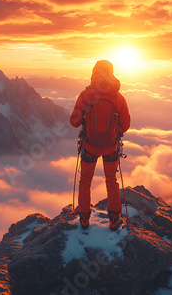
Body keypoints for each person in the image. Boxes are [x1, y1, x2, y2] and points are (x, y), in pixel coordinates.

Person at [70, 60, 131, 231]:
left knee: (85, 180)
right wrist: (113, 131)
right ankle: (114, 220)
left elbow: (74, 121)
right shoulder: (117, 97)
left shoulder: (86, 95)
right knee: (111, 180)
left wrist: (85, 120)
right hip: (111, 147)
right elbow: (125, 124)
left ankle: (84, 220)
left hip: (89, 146)